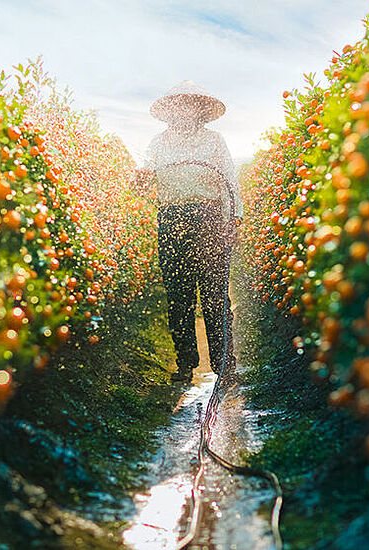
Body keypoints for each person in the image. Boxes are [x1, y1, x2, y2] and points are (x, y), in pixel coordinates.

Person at [135, 81, 243, 383]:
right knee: (179, 296)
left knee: (214, 296)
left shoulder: (214, 141)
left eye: (190, 104)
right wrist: (141, 180)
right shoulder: (158, 142)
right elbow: (146, 177)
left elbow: (230, 182)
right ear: (171, 110)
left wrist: (231, 220)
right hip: (172, 219)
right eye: (179, 104)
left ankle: (225, 366)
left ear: (199, 110)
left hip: (208, 219)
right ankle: (185, 365)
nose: (184, 110)